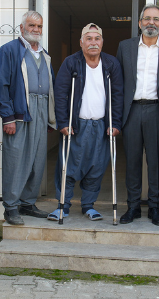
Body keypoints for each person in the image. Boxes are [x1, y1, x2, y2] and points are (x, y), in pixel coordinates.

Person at [116, 4, 159, 226]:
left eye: (156, 19)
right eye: (147, 18)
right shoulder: (125, 47)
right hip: (132, 110)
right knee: (133, 161)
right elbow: (118, 82)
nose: (151, 23)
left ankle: (154, 207)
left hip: (158, 110)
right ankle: (133, 207)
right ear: (139, 23)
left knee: (155, 161)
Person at [51, 23, 123, 221]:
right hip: (76, 125)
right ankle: (62, 206)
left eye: (97, 38)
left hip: (101, 125)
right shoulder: (71, 62)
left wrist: (115, 123)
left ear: (102, 42)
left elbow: (117, 95)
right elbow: (61, 93)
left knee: (97, 166)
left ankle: (88, 206)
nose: (93, 43)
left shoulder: (111, 64)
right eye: (89, 39)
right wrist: (63, 122)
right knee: (68, 166)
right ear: (81, 42)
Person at [0, 11, 55, 225]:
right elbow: (1, 85)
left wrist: (50, 116)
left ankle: (28, 203)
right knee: (15, 159)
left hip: (40, 109)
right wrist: (8, 117)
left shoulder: (44, 53)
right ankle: (11, 207)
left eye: (39, 26)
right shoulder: (9, 50)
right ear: (22, 28)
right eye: (31, 25)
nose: (36, 30)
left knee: (37, 159)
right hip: (20, 112)